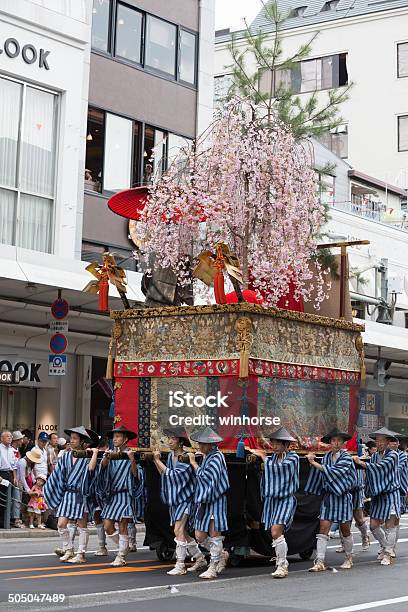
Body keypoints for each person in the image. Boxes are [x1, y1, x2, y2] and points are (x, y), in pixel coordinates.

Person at [249, 427, 299, 579]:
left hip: (285, 499)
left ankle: (282, 565)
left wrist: (264, 458)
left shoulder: (293, 458)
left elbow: (282, 469)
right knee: (275, 533)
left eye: (278, 443)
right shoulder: (272, 459)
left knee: (276, 531)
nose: (275, 446)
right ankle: (280, 561)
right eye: (274, 443)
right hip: (272, 500)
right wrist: (261, 459)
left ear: (286, 445)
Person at [153, 427, 204, 576]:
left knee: (178, 531)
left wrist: (156, 459)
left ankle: (180, 564)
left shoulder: (186, 457)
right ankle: (200, 558)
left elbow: (173, 475)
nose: (169, 441)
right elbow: (164, 474)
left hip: (186, 499)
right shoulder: (170, 457)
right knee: (184, 533)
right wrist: (158, 462)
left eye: (173, 439)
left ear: (181, 442)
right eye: (169, 438)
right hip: (175, 499)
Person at [305, 429, 356, 572]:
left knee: (345, 529)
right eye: (333, 440)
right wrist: (313, 462)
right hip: (329, 497)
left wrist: (314, 463)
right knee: (323, 529)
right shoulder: (326, 457)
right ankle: (320, 561)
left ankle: (349, 557)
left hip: (342, 496)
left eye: (339, 440)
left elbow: (334, 471)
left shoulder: (346, 457)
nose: (336, 443)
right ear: (330, 443)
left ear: (343, 442)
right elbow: (321, 472)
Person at [95, 425, 144, 567]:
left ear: (125, 439)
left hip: (125, 494)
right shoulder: (110, 454)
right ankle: (124, 546)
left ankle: (121, 555)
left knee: (123, 526)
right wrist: (104, 461)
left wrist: (132, 460)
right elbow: (103, 471)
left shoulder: (130, 453)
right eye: (114, 437)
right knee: (107, 524)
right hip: (113, 495)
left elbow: (136, 475)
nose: (115, 439)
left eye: (118, 436)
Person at [44, 426, 93, 564]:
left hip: (80, 493)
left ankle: (81, 554)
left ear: (82, 441)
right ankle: (69, 549)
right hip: (67, 494)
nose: (71, 441)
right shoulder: (66, 456)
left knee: (82, 525)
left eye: (75, 438)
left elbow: (91, 473)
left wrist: (93, 454)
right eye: (70, 438)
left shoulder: (87, 456)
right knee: (61, 524)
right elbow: (58, 475)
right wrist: (50, 488)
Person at [353, 427, 401, 567]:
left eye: (382, 440)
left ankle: (387, 553)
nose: (379, 443)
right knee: (373, 525)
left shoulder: (393, 455)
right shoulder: (373, 456)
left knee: (390, 525)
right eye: (377, 440)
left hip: (391, 492)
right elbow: (371, 473)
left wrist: (362, 463)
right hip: (378, 494)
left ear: (388, 442)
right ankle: (386, 547)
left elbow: (381, 467)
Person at [188, 427, 230, 580]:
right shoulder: (208, 456)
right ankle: (221, 554)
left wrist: (194, 464)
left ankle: (213, 566)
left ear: (210, 444)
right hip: (205, 500)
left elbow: (208, 478)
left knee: (214, 533)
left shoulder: (217, 457)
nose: (199, 446)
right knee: (199, 535)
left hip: (215, 499)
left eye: (202, 444)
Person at [384, 432, 408, 559]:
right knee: (385, 521)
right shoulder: (384, 455)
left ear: (398, 444)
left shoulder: (402, 456)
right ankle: (387, 545)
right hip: (387, 490)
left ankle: (391, 548)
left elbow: (396, 470)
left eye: (395, 441)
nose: (393, 443)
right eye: (391, 441)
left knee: (395, 520)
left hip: (400, 490)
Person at [11, 431, 25, 528]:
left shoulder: (17, 450)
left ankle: (15, 518)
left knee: (17, 498)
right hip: (14, 477)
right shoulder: (11, 450)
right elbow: (13, 466)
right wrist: (15, 477)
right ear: (16, 440)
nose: (22, 441)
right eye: (21, 439)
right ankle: (15, 519)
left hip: (19, 477)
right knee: (16, 499)